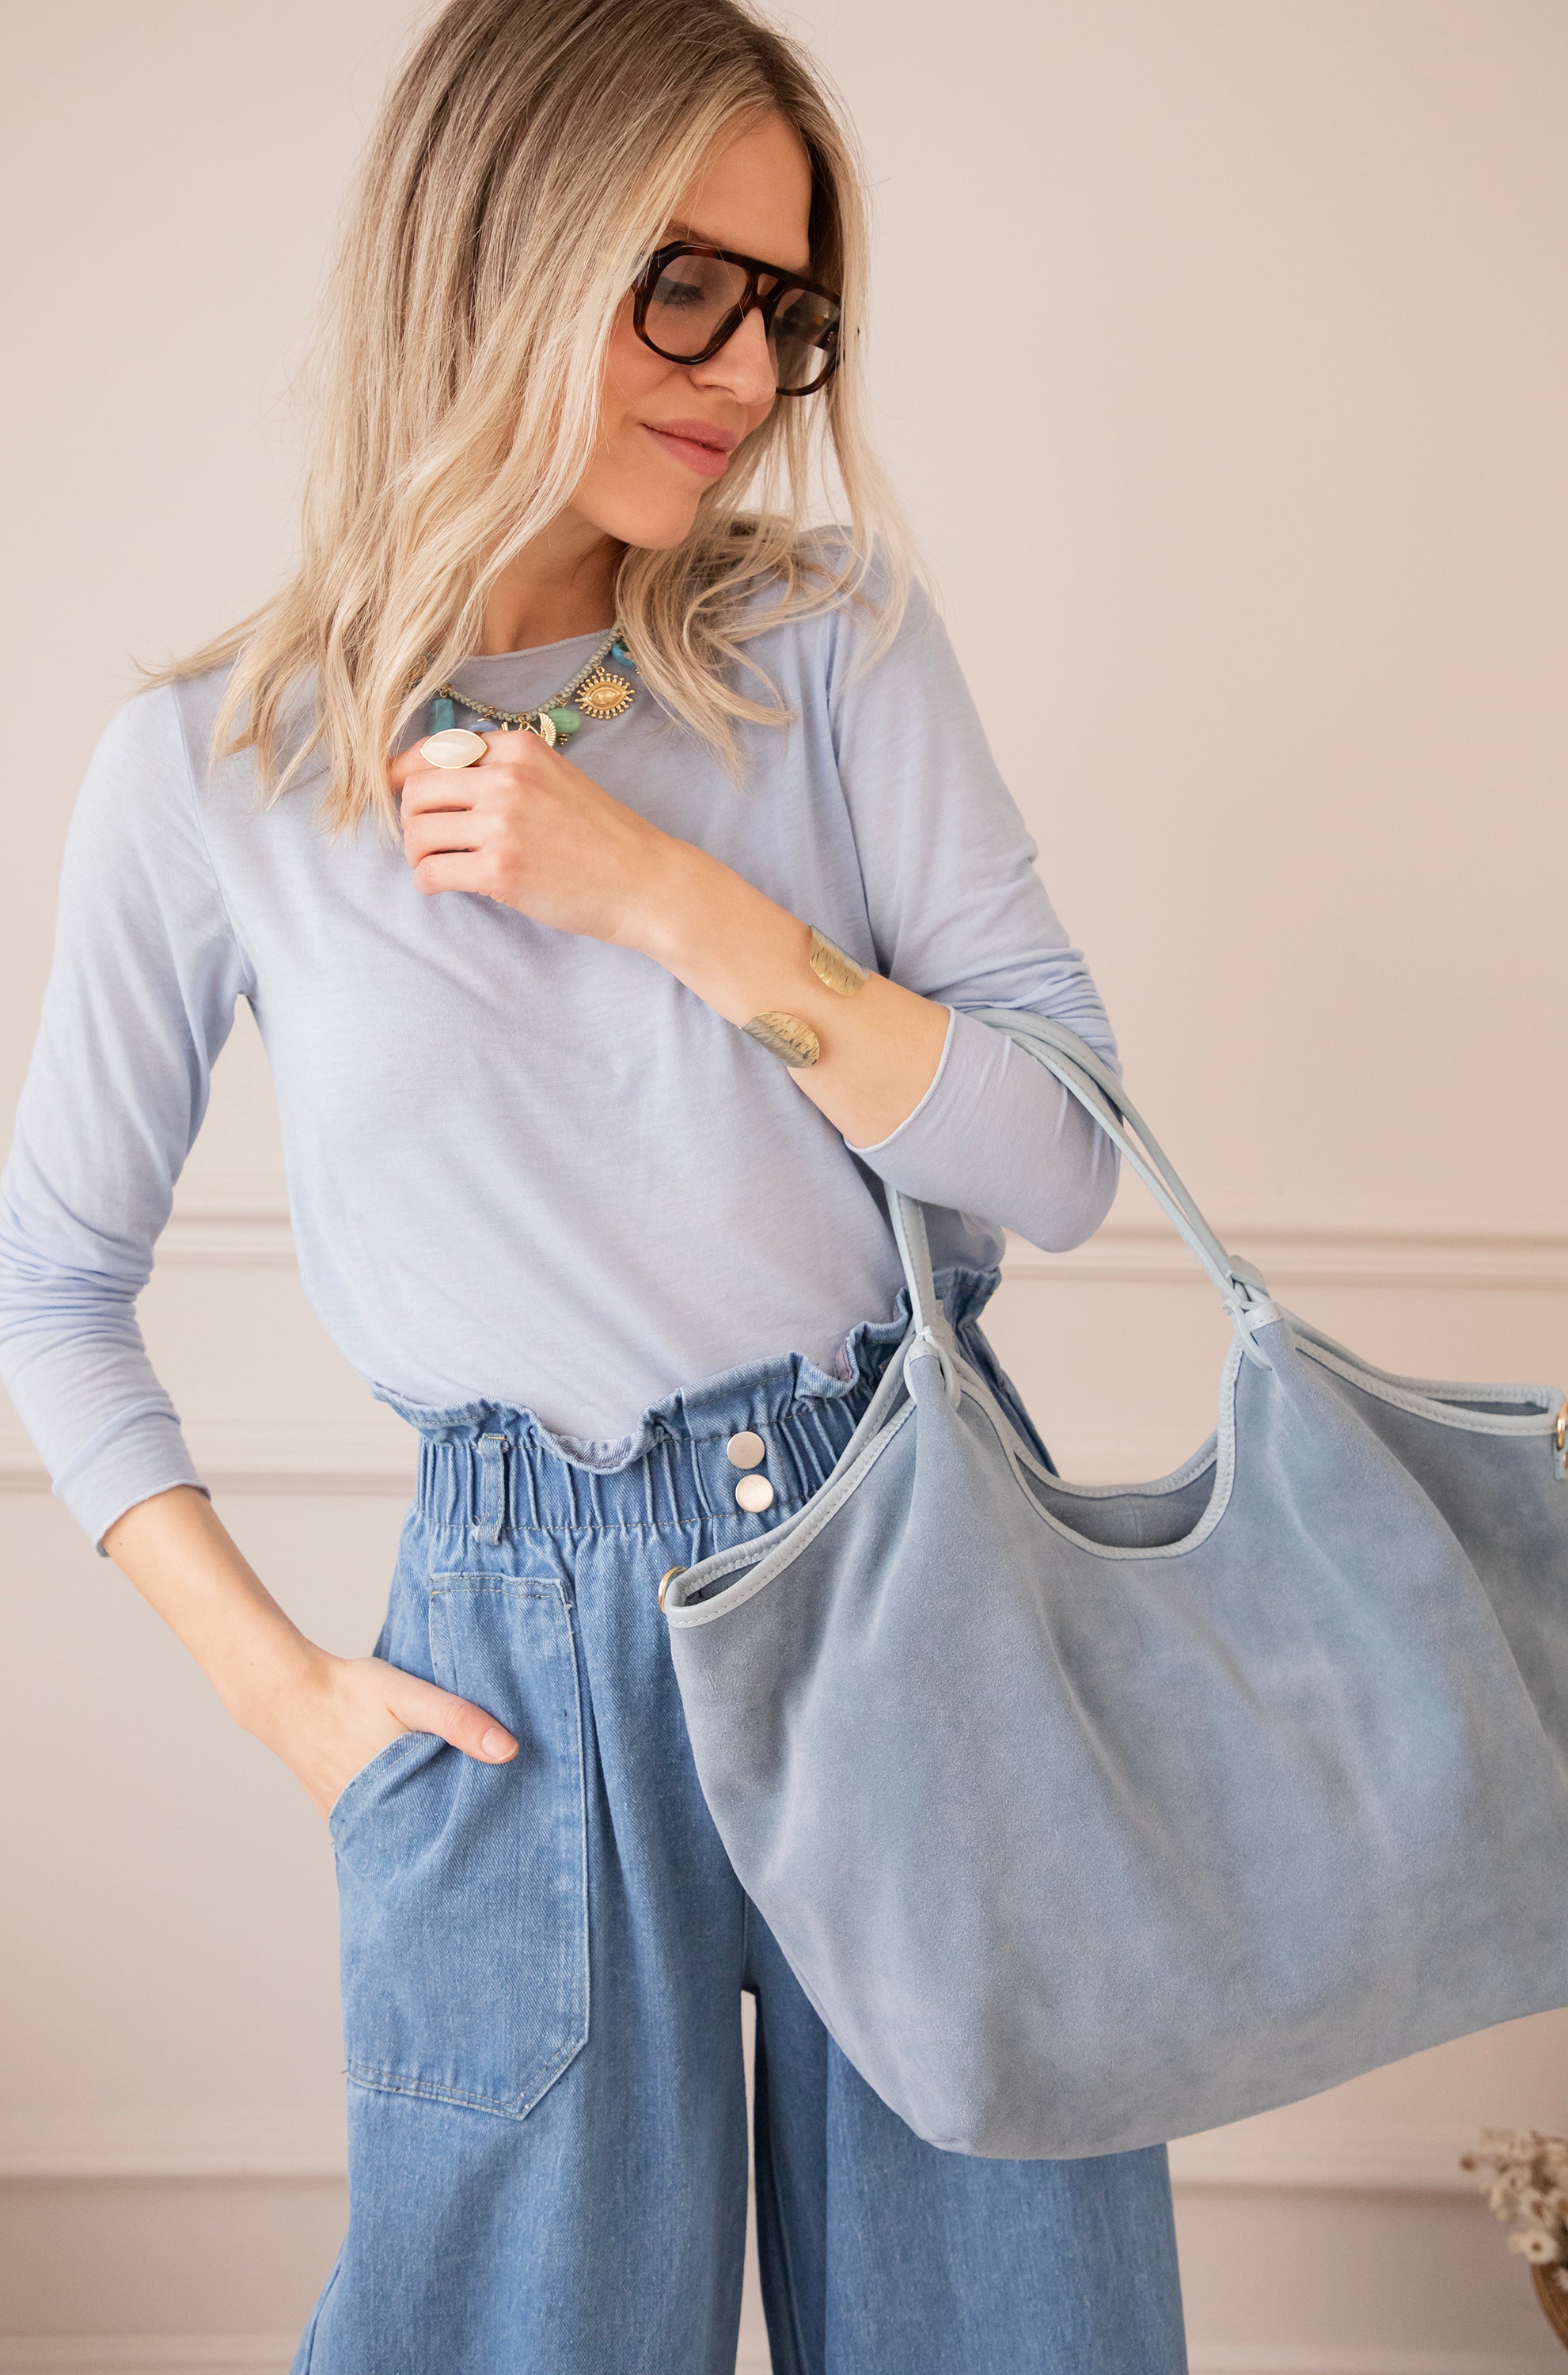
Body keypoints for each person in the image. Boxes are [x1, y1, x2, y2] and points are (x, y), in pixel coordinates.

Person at [0, 0, 1190, 2367]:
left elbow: (1062, 1155)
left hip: (915, 1569)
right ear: (495, 247)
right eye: (686, 287)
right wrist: (282, 1696)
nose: (746, 371)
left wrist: (672, 905)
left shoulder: (830, 644)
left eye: (787, 310)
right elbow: (51, 1283)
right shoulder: (214, 771)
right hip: (513, 1655)